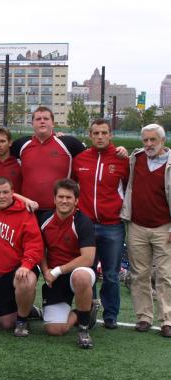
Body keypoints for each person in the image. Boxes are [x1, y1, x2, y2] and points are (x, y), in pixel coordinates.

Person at [72, 118, 129, 329]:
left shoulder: (122, 159)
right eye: (96, 133)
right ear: (90, 135)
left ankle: (111, 314)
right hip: (86, 224)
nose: (100, 137)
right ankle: (90, 309)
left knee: (111, 274)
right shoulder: (80, 159)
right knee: (88, 271)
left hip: (112, 225)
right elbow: (71, 187)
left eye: (104, 133)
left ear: (110, 135)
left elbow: (130, 188)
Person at [120, 123, 171, 337]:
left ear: (163, 141)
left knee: (166, 275)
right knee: (139, 274)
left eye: (153, 140)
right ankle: (143, 317)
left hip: (164, 227)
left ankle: (167, 319)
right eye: (146, 140)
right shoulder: (136, 158)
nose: (149, 144)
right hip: (137, 225)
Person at [39, 179, 97, 348]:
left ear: (76, 200)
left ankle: (84, 329)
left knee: (80, 276)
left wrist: (56, 271)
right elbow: (40, 250)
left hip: (78, 272)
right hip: (57, 277)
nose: (64, 201)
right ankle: (86, 310)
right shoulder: (45, 219)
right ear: (54, 199)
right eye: (60, 197)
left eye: (69, 197)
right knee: (54, 330)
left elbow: (88, 258)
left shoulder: (83, 221)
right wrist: (45, 271)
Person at [0, 177, 43, 337]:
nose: (1, 196)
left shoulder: (25, 213)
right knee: (6, 323)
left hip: (18, 268)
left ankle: (22, 321)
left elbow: (34, 245)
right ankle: (28, 309)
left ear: (13, 194)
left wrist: (26, 265)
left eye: (5, 192)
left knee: (25, 279)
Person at [10, 106, 86, 217]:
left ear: (53, 123)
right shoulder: (21, 144)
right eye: (38, 119)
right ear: (32, 124)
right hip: (28, 210)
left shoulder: (69, 144)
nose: (42, 121)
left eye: (46, 119)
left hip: (59, 212)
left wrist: (119, 150)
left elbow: (93, 156)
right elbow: (0, 148)